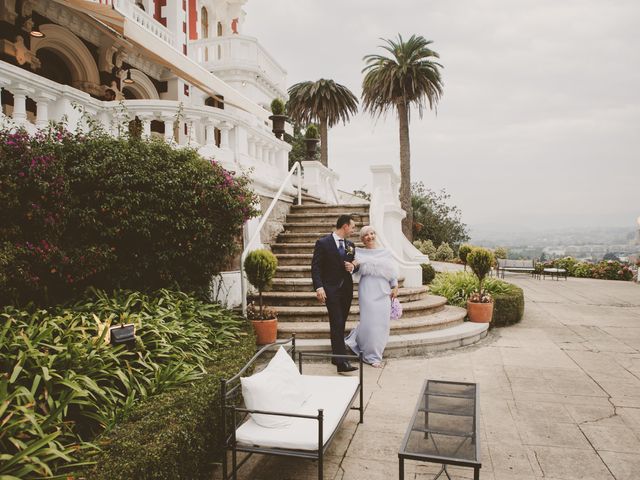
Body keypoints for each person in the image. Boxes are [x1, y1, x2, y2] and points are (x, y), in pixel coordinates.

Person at [345, 226, 398, 368]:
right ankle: (372, 356)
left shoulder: (386, 252)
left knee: (382, 323)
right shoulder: (359, 253)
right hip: (367, 290)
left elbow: (392, 272)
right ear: (362, 239)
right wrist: (353, 264)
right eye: (366, 235)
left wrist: (395, 286)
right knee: (369, 322)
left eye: (372, 233)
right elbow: (353, 266)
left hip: (383, 290)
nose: (370, 236)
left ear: (375, 235)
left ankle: (372, 347)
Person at [311, 214, 358, 373]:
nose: (353, 230)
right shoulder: (323, 243)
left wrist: (353, 267)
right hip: (330, 290)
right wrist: (319, 287)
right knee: (337, 322)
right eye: (352, 227)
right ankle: (341, 363)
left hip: (346, 291)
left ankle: (335, 355)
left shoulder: (351, 245)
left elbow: (355, 264)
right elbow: (316, 267)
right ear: (345, 226)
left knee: (340, 323)